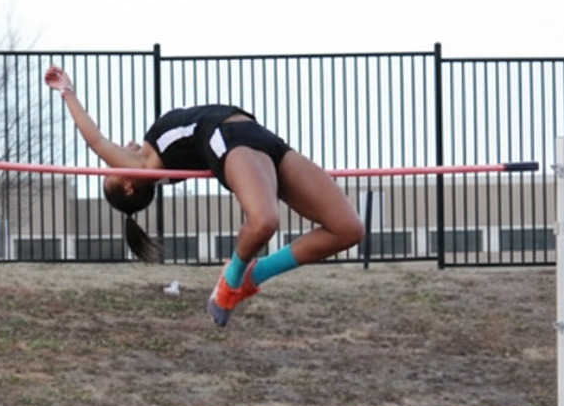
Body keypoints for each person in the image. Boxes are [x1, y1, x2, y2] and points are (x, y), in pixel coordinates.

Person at [44, 65, 364, 327]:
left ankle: (256, 273)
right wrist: (67, 91)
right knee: (264, 221)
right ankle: (231, 280)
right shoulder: (142, 165)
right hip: (229, 140)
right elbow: (96, 140)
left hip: (261, 138)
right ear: (129, 183)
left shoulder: (162, 161)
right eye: (111, 169)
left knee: (348, 229)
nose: (114, 156)